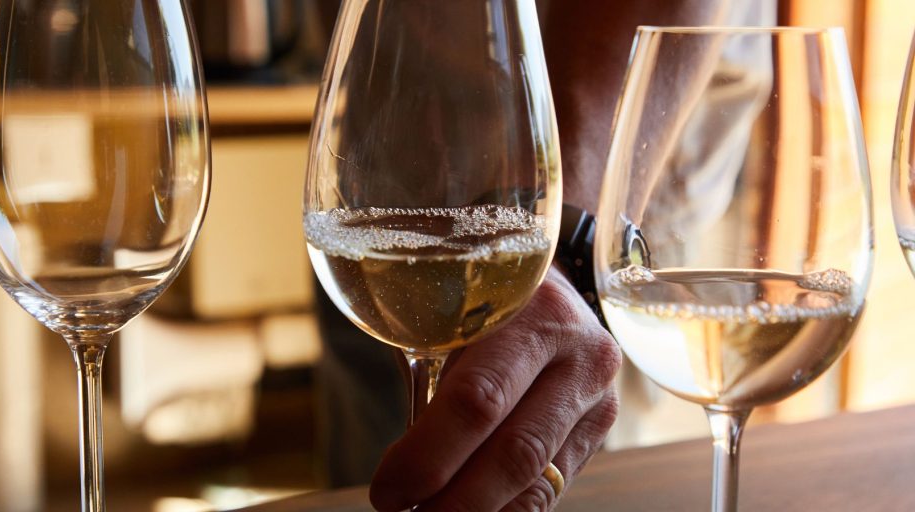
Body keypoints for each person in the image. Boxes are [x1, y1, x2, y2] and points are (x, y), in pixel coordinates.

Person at [314, 1, 772, 510]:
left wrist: (570, 244)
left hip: (619, 171)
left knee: (549, 471)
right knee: (379, 478)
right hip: (374, 203)